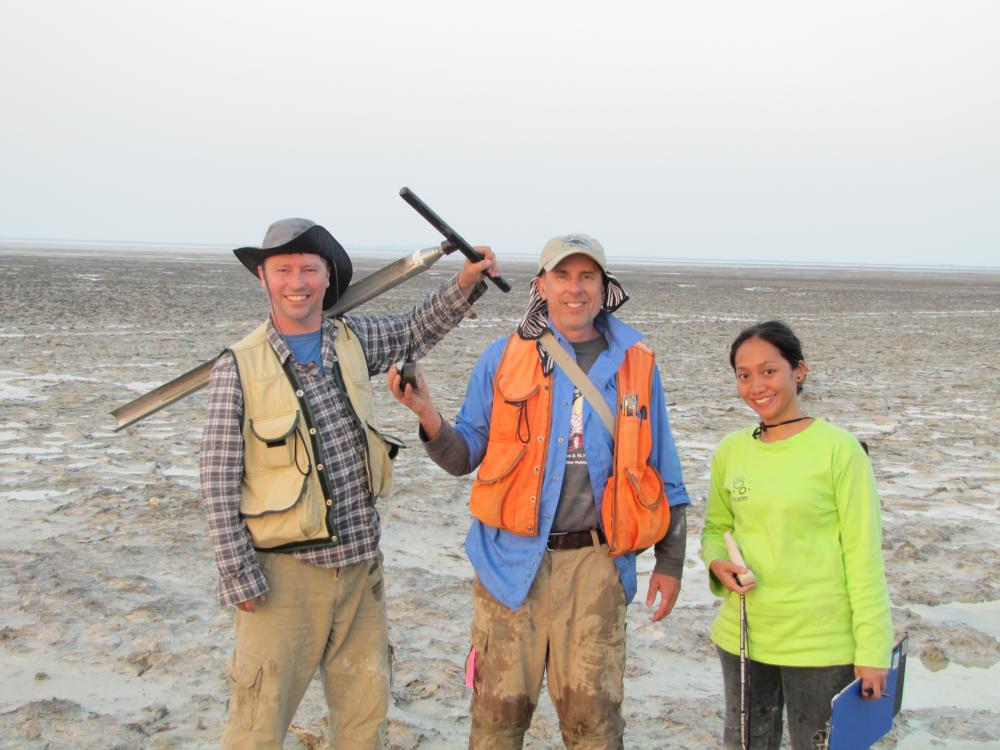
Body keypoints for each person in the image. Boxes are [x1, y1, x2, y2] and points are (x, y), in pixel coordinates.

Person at [199, 217, 497, 749]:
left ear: (327, 277)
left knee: (364, 724)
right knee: (256, 727)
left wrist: (467, 282)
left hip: (361, 574)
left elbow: (412, 330)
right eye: (283, 269)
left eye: (309, 269)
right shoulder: (237, 367)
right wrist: (237, 575)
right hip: (281, 582)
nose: (297, 282)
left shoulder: (351, 340)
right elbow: (218, 479)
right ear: (263, 279)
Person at [388, 234, 690, 749]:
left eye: (587, 277)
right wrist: (427, 416)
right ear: (541, 286)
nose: (575, 289)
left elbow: (663, 465)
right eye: (563, 276)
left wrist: (670, 561)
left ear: (604, 287)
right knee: (496, 721)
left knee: (594, 724)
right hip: (508, 565)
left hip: (597, 564)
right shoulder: (503, 357)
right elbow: (464, 457)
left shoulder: (638, 362)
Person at [700, 320, 894, 750]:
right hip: (743, 637)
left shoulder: (838, 450)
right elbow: (716, 527)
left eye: (769, 371)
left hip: (821, 643)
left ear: (798, 371)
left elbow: (863, 557)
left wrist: (873, 651)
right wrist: (718, 561)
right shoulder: (731, 450)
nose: (756, 386)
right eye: (743, 375)